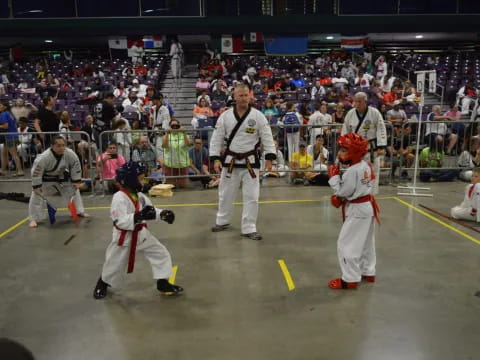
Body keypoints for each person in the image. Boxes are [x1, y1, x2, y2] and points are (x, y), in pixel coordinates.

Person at [93, 161, 183, 299]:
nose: (144, 181)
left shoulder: (140, 196)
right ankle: (103, 283)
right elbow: (120, 220)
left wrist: (163, 214)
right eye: (140, 178)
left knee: (160, 253)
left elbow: (150, 211)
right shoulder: (119, 198)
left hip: (141, 234)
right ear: (130, 180)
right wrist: (138, 216)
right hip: (124, 237)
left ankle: (163, 282)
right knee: (114, 262)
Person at [209, 84, 276, 240]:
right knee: (225, 194)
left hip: (250, 162)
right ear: (234, 96)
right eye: (240, 95)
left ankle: (249, 227)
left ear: (250, 96)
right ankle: (222, 220)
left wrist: (270, 158)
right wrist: (215, 158)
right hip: (230, 161)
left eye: (246, 95)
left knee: (252, 196)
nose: (244, 98)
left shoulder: (258, 116)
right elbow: (217, 138)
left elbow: (267, 137)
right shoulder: (225, 116)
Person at [327, 133, 379, 290]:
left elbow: (344, 191)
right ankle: (368, 271)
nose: (340, 153)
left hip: (357, 209)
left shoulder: (351, 171)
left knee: (346, 244)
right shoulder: (366, 165)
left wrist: (334, 178)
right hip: (367, 206)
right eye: (341, 149)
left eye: (344, 150)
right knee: (366, 242)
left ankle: (349, 279)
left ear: (355, 152)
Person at [28, 136, 89, 228]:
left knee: (74, 190)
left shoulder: (69, 153)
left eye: (63, 145)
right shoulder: (44, 157)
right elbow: (36, 171)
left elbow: (75, 165)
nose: (62, 148)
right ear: (52, 146)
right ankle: (34, 218)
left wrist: (76, 180)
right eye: (58, 146)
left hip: (61, 175)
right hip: (46, 178)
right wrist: (37, 185)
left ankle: (79, 211)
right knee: (36, 194)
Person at [342, 92, 387, 193]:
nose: (357, 104)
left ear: (365, 102)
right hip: (355, 149)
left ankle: (371, 194)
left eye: (359, 101)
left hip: (370, 148)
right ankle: (356, 192)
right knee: (356, 172)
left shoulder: (374, 112)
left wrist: (381, 146)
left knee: (372, 171)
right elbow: (345, 130)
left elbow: (381, 128)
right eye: (355, 101)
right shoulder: (350, 113)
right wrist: (344, 146)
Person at [162, 119, 191, 188]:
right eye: (173, 126)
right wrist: (167, 133)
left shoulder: (184, 135)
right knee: (171, 186)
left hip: (182, 164)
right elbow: (165, 146)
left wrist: (184, 132)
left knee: (183, 186)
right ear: (169, 126)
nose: (175, 127)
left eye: (176, 125)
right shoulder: (166, 136)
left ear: (180, 126)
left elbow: (188, 144)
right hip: (170, 164)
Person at [0, 101, 24, 176]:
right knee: (4, 154)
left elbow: (5, 126)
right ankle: (3, 170)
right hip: (12, 135)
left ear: (5, 107)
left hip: (10, 136)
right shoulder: (10, 114)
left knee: (14, 154)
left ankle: (20, 171)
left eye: (0, 105)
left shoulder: (3, 114)